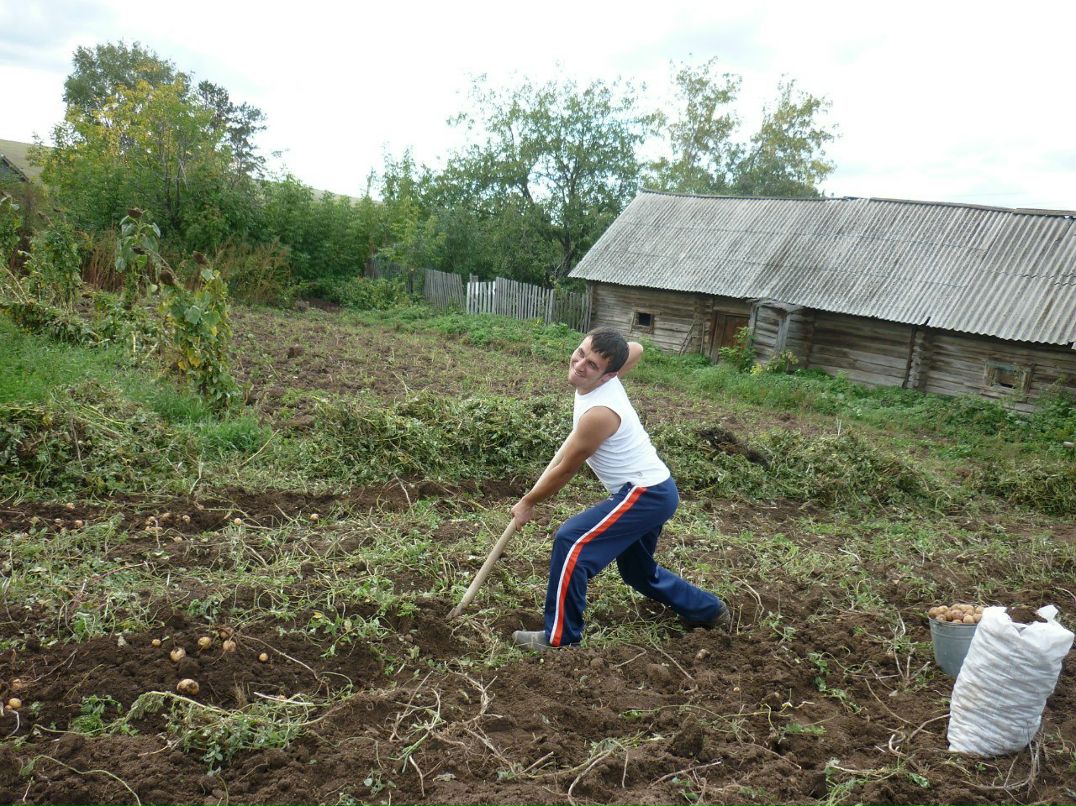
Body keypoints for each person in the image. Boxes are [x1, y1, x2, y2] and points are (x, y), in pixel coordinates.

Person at [510, 327, 730, 650]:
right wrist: (609, 353)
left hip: (645, 492)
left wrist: (529, 501)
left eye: (593, 366)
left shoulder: (599, 415)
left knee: (571, 543)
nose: (580, 365)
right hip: (658, 488)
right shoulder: (610, 373)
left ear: (608, 375)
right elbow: (637, 348)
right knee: (637, 572)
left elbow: (566, 469)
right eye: (581, 352)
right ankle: (710, 610)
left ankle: (560, 639)